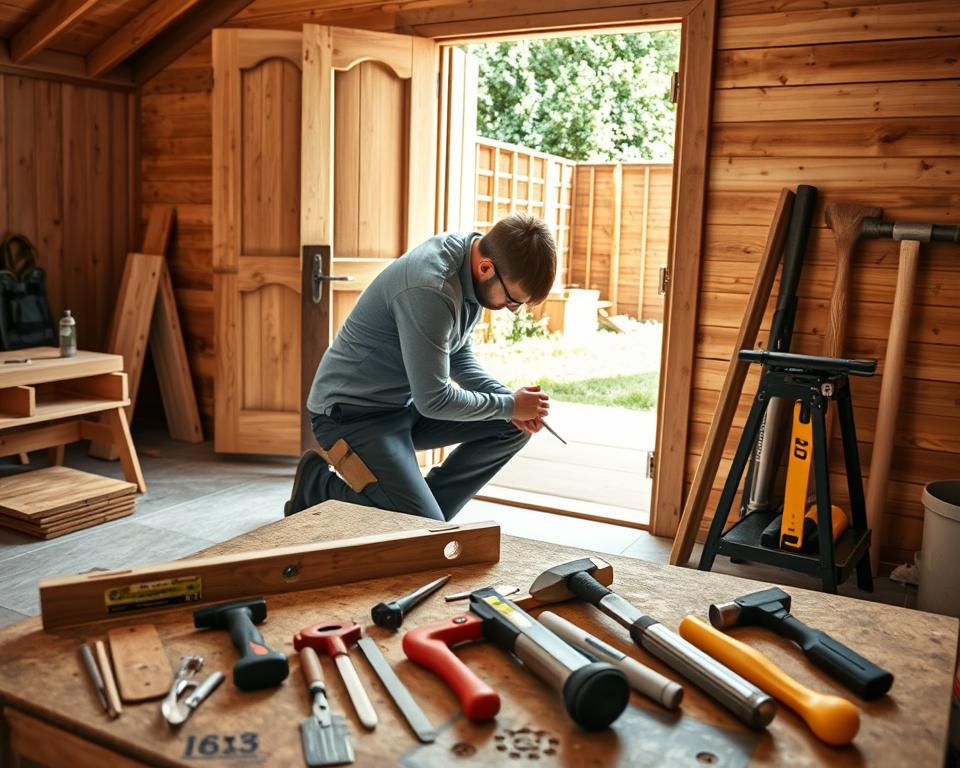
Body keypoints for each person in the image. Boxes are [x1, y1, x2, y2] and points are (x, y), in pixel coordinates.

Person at [284, 213, 557, 522]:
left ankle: (422, 513)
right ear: (486, 268)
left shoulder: (475, 262)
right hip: (350, 414)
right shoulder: (431, 288)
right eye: (512, 301)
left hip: (402, 407)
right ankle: (317, 487)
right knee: (420, 528)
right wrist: (509, 405)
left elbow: (459, 356)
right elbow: (434, 399)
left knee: (511, 428)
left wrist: (511, 404)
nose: (511, 309)